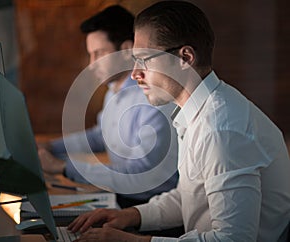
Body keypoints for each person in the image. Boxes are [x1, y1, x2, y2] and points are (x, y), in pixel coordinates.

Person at [67, 1, 290, 241]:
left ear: (185, 57)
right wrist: (131, 216)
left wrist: (131, 240)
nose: (134, 74)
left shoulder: (221, 130)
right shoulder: (196, 111)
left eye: (145, 60)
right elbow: (189, 195)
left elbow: (233, 240)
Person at [38, 5, 179, 209]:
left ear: (125, 50)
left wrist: (63, 167)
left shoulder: (153, 99)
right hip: (124, 196)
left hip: (150, 206)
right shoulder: (115, 90)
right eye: (90, 55)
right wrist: (51, 147)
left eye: (99, 53)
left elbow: (142, 174)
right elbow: (101, 135)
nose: (92, 64)